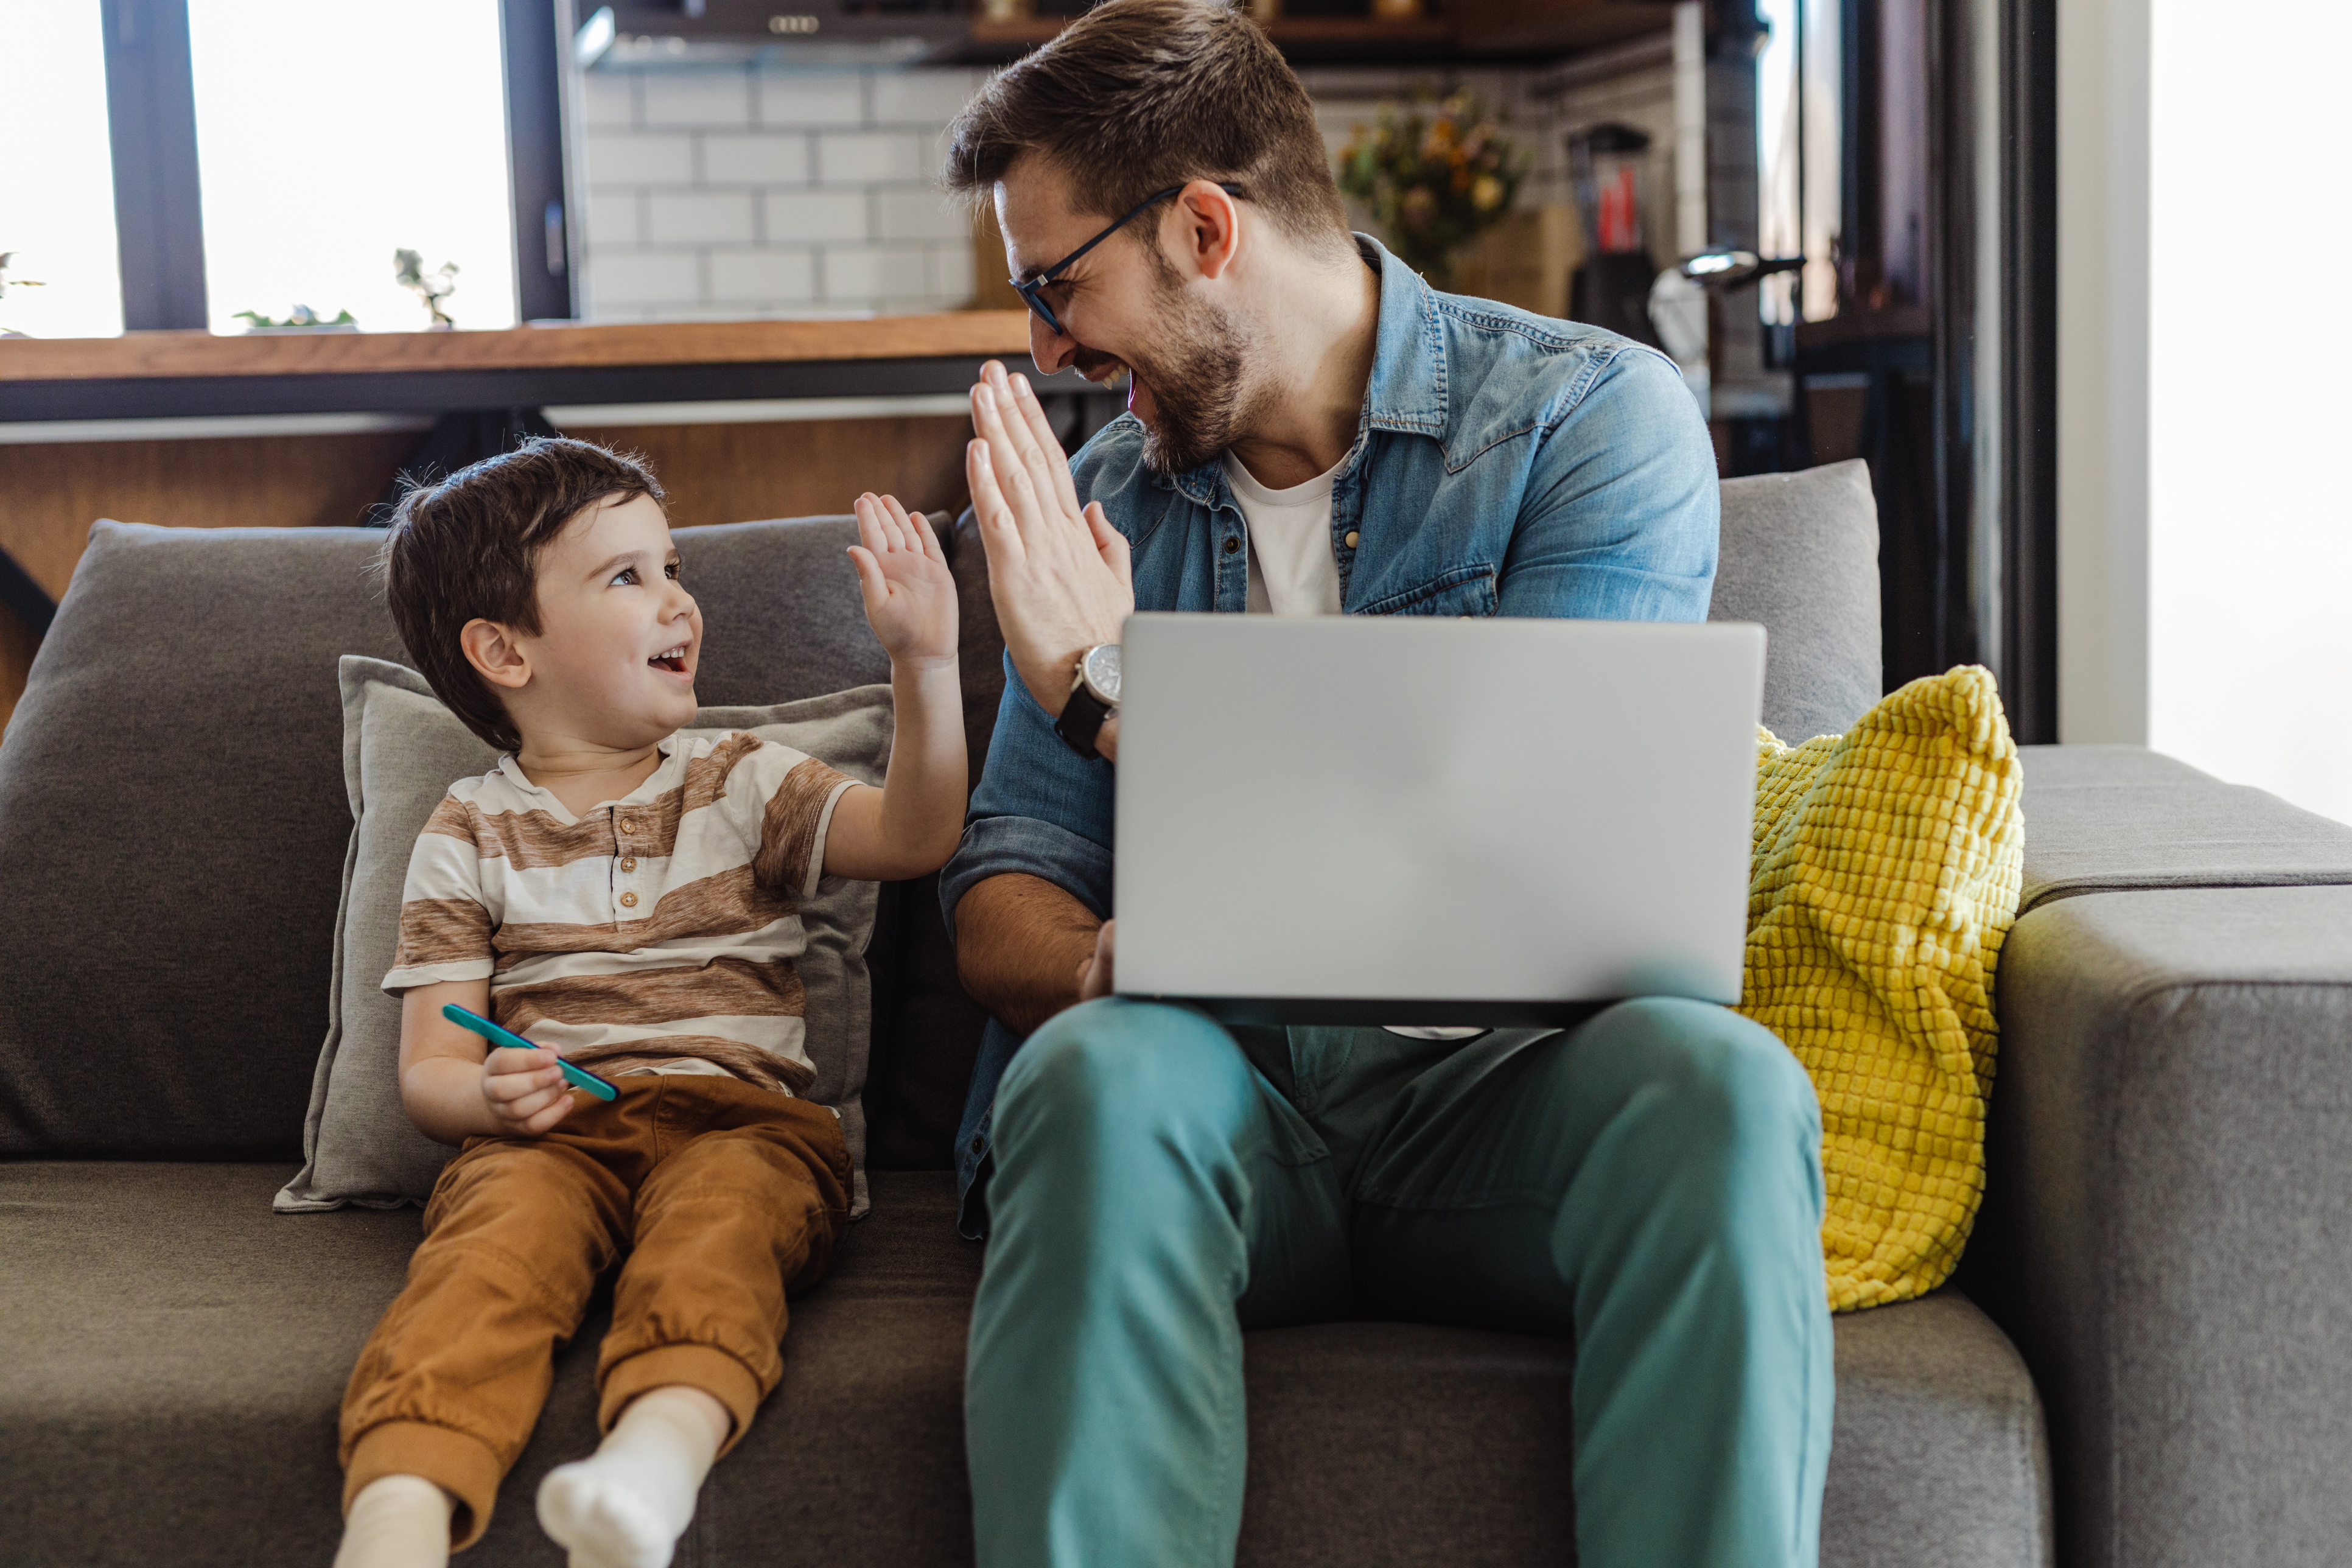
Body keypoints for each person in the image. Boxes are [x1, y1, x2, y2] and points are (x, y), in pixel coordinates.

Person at [936, 4, 1835, 1566]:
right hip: (1222, 1115)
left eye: (1055, 286)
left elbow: (1520, 859)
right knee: (1083, 1070)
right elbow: (1002, 891)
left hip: (1498, 1108)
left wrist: (1108, 691)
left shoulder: (1584, 422)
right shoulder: (1101, 505)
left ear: (1204, 227)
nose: (1046, 350)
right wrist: (1096, 959)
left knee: (1726, 1089)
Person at [331, 439, 964, 1568]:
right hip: (552, 1138)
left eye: (672, 568)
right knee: (482, 1267)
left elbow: (916, 838)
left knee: (722, 1236)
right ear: (502, 651)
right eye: (628, 577)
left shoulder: (745, 774)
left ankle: (651, 1469)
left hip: (745, 1124)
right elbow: (428, 1074)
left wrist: (925, 663)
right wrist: (488, 1095)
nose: (679, 599)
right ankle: (396, 1523)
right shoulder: (466, 829)